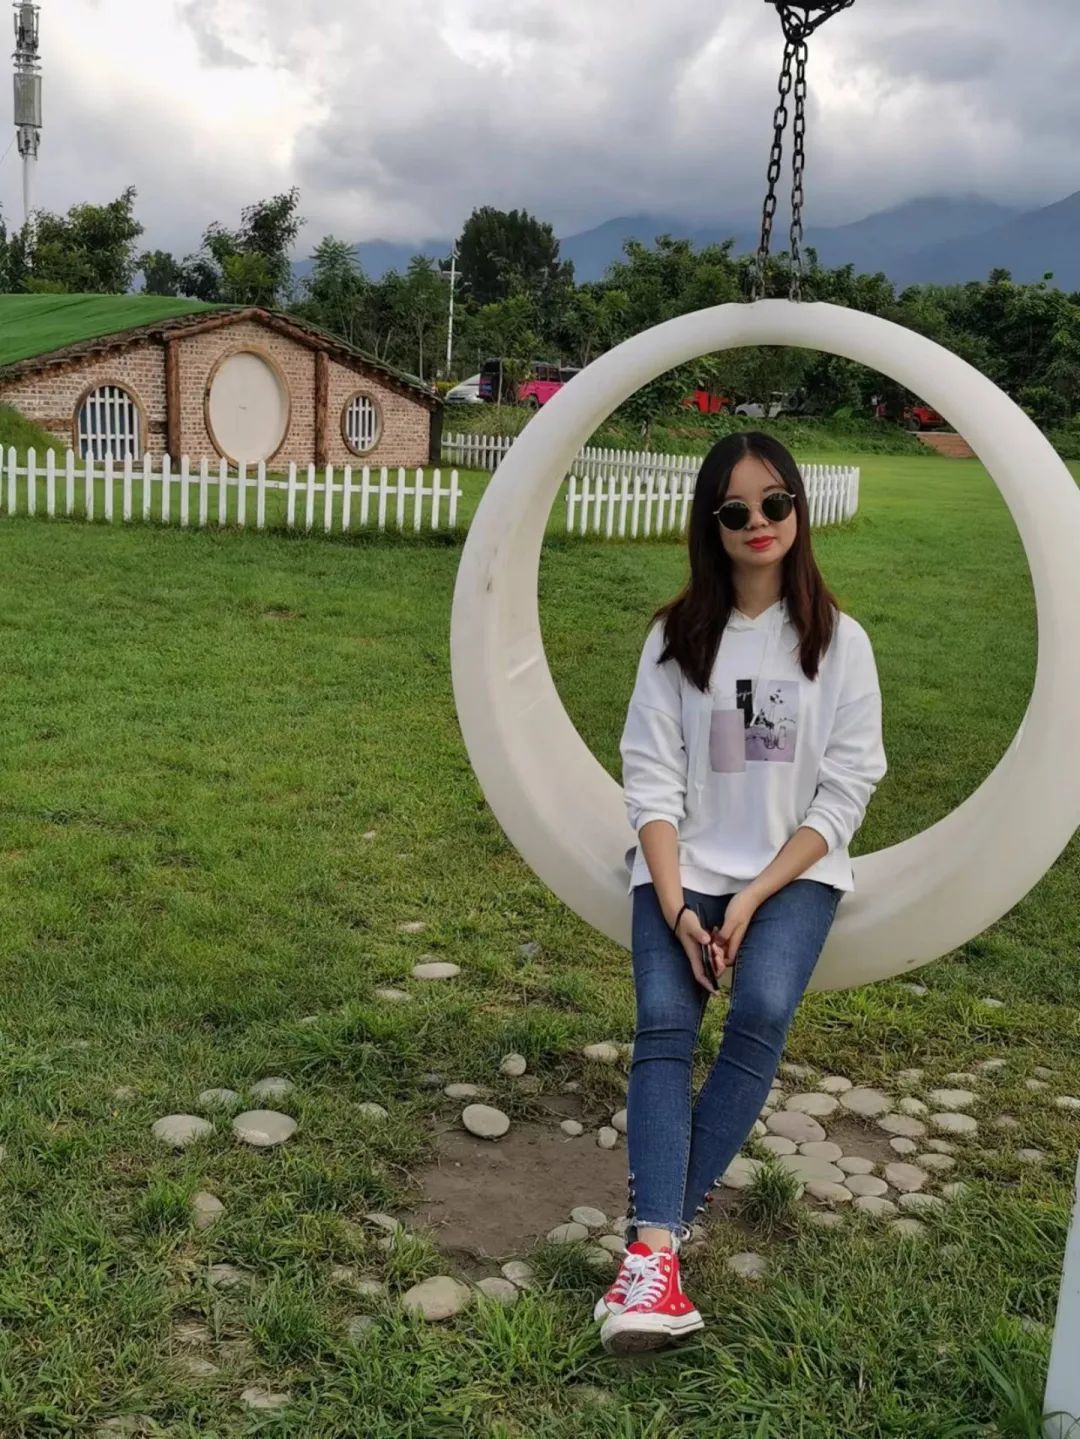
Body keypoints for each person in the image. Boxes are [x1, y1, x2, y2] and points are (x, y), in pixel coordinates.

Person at [596, 432, 887, 1356]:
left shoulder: (840, 644)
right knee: (663, 1021)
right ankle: (655, 1256)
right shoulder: (675, 637)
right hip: (683, 864)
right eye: (735, 509)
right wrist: (680, 906)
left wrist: (754, 897)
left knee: (758, 1008)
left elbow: (846, 791)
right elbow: (650, 781)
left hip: (792, 871)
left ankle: (651, 1246)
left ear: (798, 507)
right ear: (711, 524)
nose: (758, 522)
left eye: (775, 503)